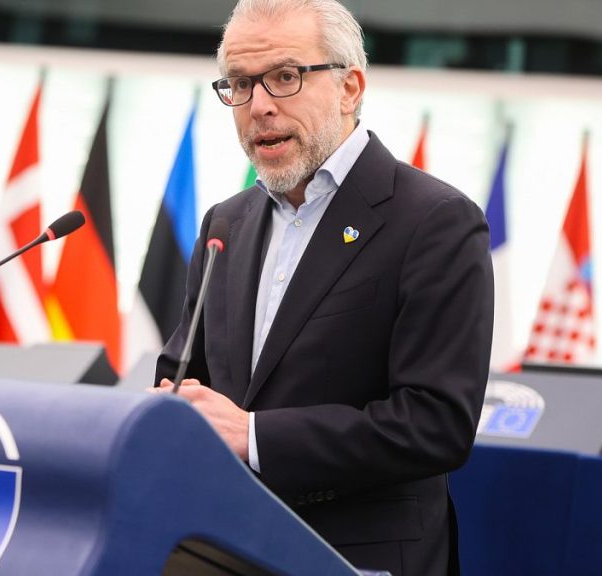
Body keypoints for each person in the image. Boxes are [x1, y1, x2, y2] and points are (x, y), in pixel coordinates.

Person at [154, 1, 493, 574]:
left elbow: (436, 425)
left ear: (349, 88)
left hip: (358, 557)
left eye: (285, 77)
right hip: (220, 546)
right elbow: (185, 374)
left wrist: (256, 437)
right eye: (240, 84)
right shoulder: (225, 223)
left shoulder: (435, 221)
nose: (259, 105)